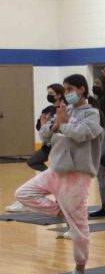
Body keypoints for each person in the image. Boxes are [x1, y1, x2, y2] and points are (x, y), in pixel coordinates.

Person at [15, 74, 102, 274]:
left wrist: (61, 126)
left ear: (82, 89)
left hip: (77, 174)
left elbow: (81, 134)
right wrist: (54, 125)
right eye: (65, 89)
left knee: (79, 226)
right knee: (23, 193)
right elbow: (45, 135)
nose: (67, 93)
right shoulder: (64, 110)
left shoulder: (92, 113)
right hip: (55, 169)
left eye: (70, 88)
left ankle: (80, 268)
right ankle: (60, 211)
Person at [6, 84, 65, 212]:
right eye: (48, 92)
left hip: (58, 145)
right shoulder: (48, 109)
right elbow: (40, 126)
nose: (49, 95)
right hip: (47, 145)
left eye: (51, 93)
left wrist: (49, 125)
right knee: (33, 161)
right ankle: (49, 180)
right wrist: (45, 125)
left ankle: (57, 199)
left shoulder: (64, 108)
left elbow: (59, 127)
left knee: (57, 175)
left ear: (59, 95)